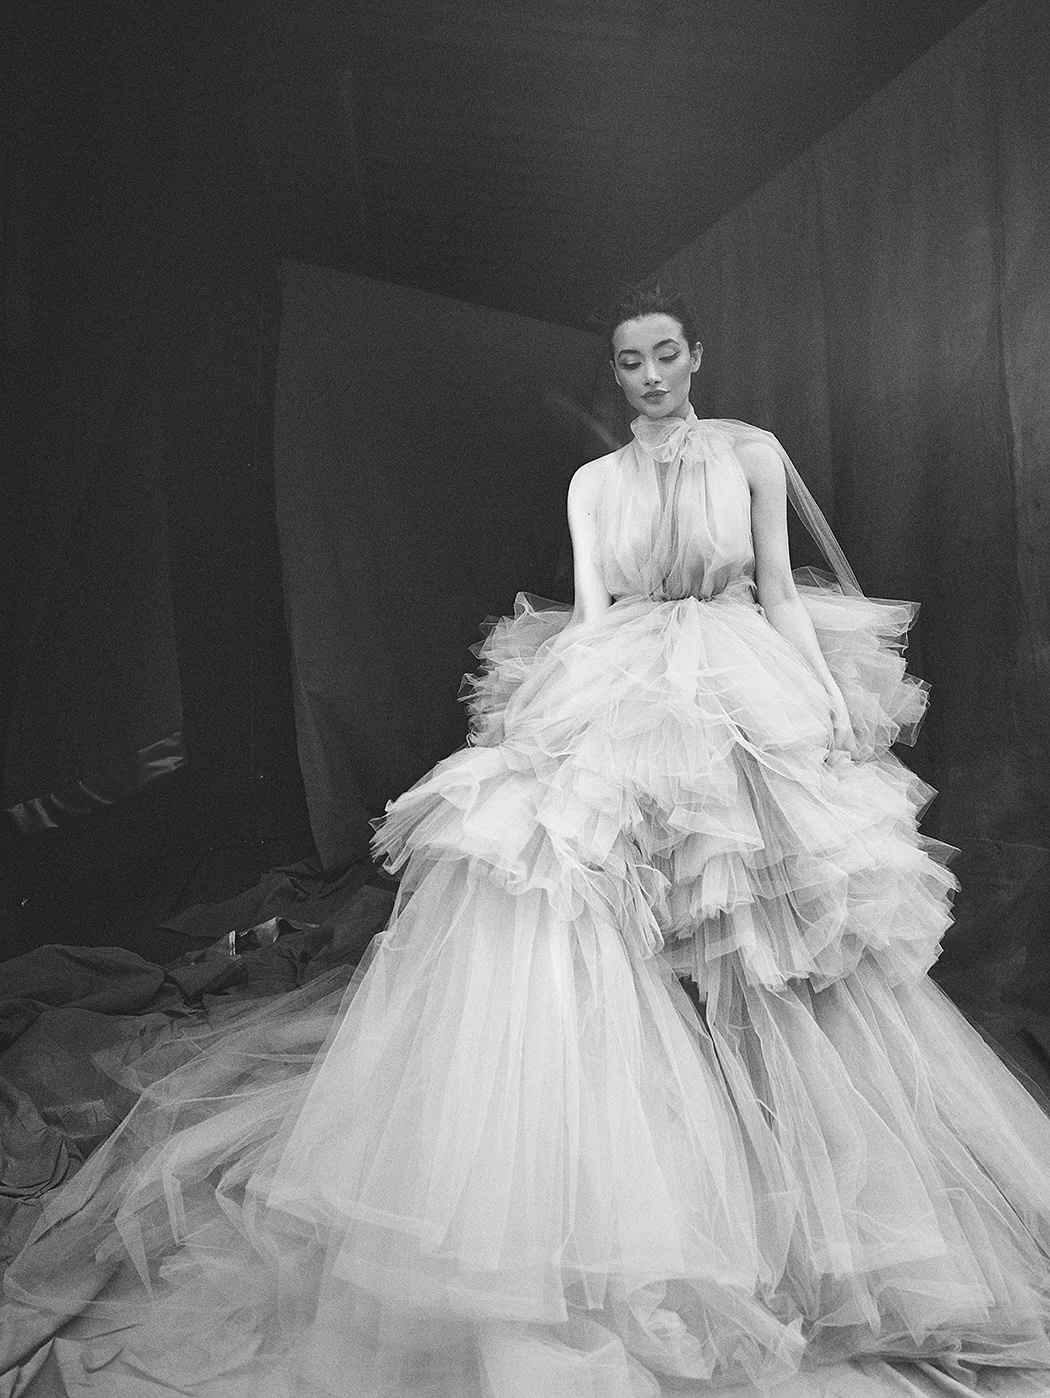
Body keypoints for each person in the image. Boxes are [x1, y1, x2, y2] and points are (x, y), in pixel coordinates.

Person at [3, 287, 1050, 1398]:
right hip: (628, 680)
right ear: (618, 370)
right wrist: (557, 721)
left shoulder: (750, 454)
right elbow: (592, 614)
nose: (651, 377)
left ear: (697, 356)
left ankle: (796, 1180)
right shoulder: (595, 482)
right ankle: (667, 1189)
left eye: (666, 355)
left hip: (739, 679)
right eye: (631, 361)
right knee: (600, 912)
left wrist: (825, 703)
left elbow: (782, 589)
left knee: (758, 923)